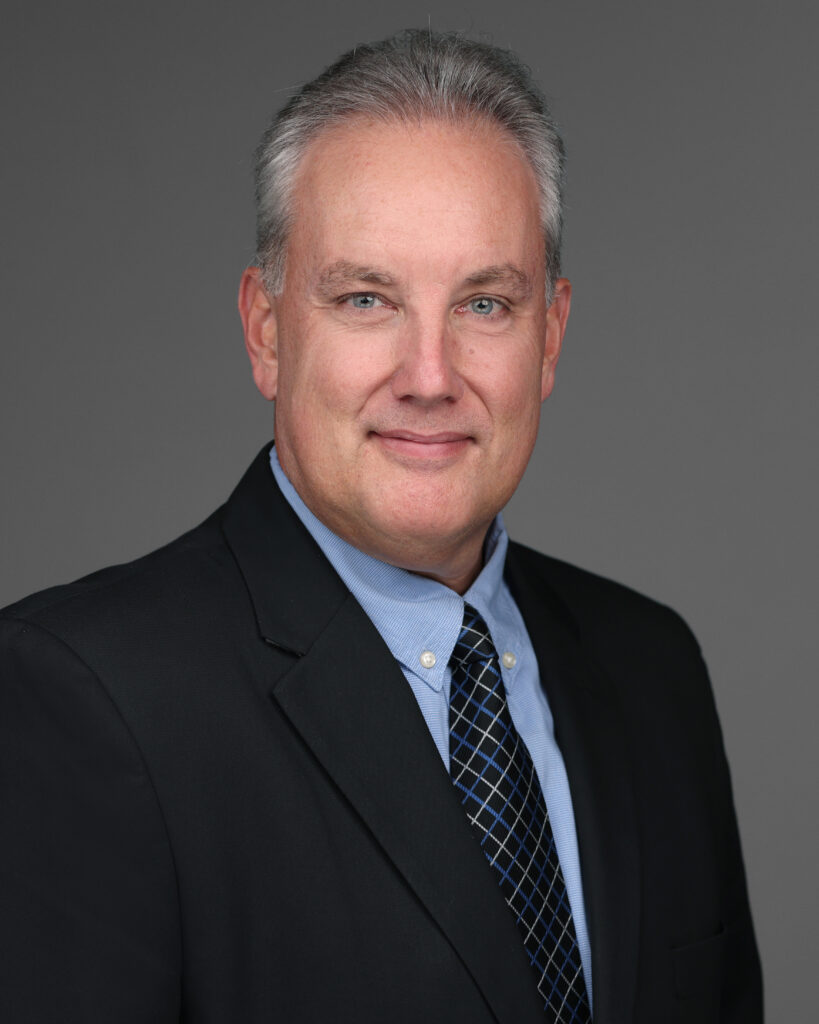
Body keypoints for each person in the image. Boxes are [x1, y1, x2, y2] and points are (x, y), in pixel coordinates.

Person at [0, 29, 762, 1024]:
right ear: (267, 330)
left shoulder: (652, 666)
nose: (432, 375)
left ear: (550, 337)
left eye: (486, 302)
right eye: (367, 299)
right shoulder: (82, 698)